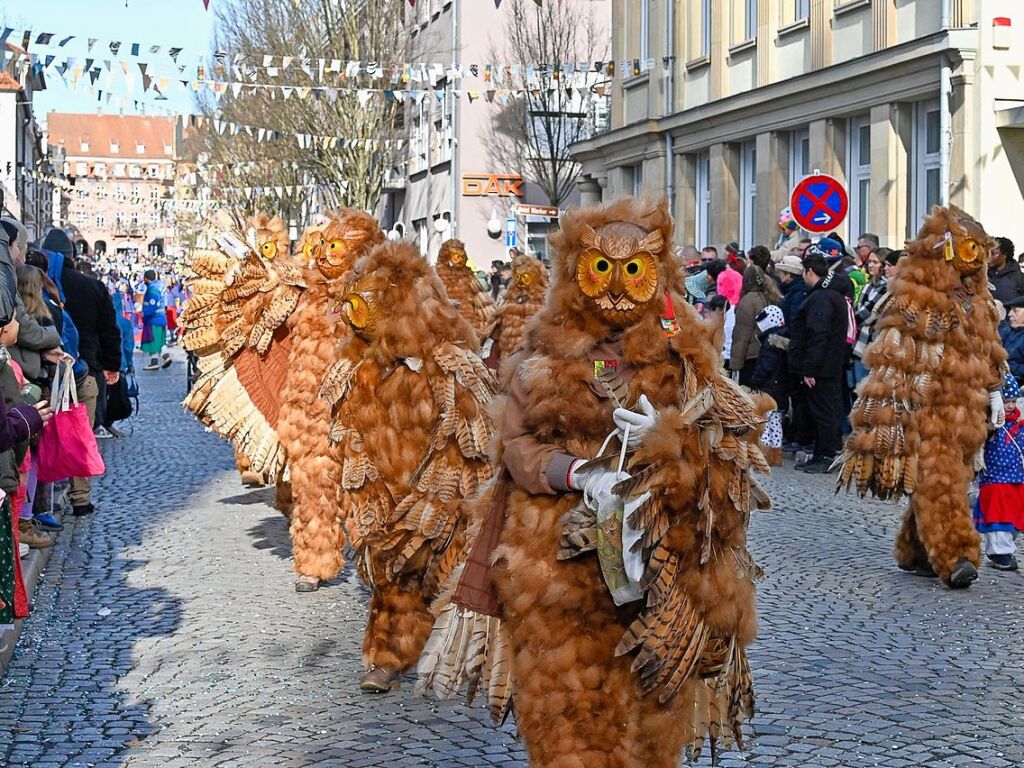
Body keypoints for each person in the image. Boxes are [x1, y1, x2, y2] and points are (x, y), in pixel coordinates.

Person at [40, 228, 120, 517]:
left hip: (51, 368)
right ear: (73, 256)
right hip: (86, 368)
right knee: (81, 432)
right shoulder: (93, 287)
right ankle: (80, 498)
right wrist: (113, 366)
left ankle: (46, 501)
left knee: (50, 432)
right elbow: (109, 330)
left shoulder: (41, 285)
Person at [789, 254, 849, 474]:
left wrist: (810, 369)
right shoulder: (831, 296)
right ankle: (825, 451)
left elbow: (818, 335)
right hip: (828, 365)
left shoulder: (821, 298)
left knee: (822, 411)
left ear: (809, 272)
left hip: (821, 367)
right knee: (827, 409)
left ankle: (825, 455)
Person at [974, 373, 1024, 570]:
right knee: (997, 514)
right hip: (995, 478)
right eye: (1006, 401)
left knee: (1014, 516)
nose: (1010, 406)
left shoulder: (1019, 425)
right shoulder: (989, 425)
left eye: (1013, 401)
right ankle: (999, 551)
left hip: (1016, 477)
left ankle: (1006, 549)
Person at [730, 265, 782, 386]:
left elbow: (742, 335)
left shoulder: (747, 301)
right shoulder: (771, 296)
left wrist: (736, 364)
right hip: (770, 352)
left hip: (751, 356)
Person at [750, 305, 788, 466]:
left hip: (768, 388)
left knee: (764, 423)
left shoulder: (770, 342)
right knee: (776, 422)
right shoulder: (784, 339)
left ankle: (762, 456)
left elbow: (765, 366)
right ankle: (776, 454)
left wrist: (754, 381)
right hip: (780, 389)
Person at [852, 249, 889, 384]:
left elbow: (868, 314)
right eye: (869, 262)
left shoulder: (885, 287)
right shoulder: (870, 283)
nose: (871, 265)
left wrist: (852, 320)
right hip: (859, 343)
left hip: (872, 342)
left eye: (875, 262)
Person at [141, 269, 170, 371]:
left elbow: (152, 304)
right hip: (161, 318)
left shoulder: (152, 289)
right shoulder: (158, 287)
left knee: (153, 341)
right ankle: (165, 357)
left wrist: (144, 313)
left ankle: (155, 362)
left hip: (154, 319)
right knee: (160, 341)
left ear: (146, 278)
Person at [989, 237, 1024, 304]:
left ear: (1005, 255)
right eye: (987, 253)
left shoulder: (1018, 278)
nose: (989, 257)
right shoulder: (983, 276)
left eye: (994, 253)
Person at [999, 296, 1024, 384]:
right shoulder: (1007, 331)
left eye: (1015, 310)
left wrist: (1008, 365)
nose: (1010, 314)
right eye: (1010, 310)